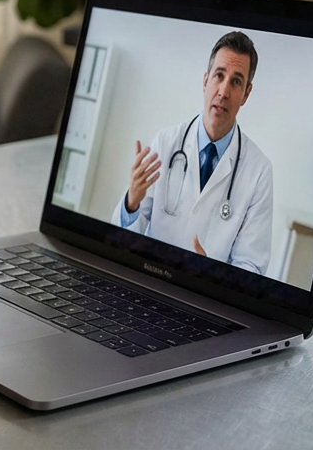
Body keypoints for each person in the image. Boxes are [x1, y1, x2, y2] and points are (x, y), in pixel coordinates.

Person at [111, 31, 274, 275]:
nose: (224, 91)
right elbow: (119, 244)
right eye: (219, 75)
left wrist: (211, 276)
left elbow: (251, 268)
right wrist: (131, 202)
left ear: (246, 94)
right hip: (150, 280)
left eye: (236, 81)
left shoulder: (259, 171)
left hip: (206, 300)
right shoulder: (166, 143)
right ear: (206, 80)